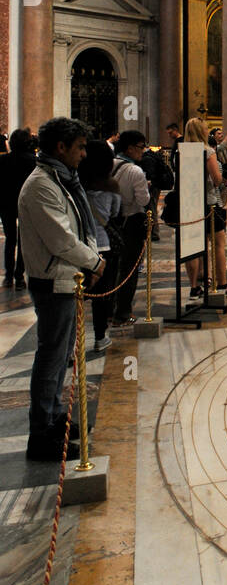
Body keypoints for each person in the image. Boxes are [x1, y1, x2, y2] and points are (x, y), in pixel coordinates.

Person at [18, 118, 106, 461]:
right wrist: (94, 262)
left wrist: (91, 258)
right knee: (51, 357)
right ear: (60, 147)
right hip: (53, 280)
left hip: (67, 278)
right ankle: (41, 433)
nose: (84, 154)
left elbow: (78, 225)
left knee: (60, 358)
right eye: (80, 147)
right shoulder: (41, 185)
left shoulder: (61, 180)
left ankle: (55, 421)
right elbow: (60, 238)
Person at [182, 118, 227, 298]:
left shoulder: (181, 151)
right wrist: (224, 179)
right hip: (209, 203)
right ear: (202, 132)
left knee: (193, 247)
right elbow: (216, 179)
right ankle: (221, 283)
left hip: (189, 203)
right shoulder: (207, 151)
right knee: (218, 244)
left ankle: (194, 286)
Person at [79, 140, 122, 352]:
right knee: (103, 296)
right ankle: (100, 336)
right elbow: (115, 213)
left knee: (76, 295)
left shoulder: (75, 183)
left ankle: (71, 345)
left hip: (80, 246)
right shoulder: (111, 185)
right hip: (104, 244)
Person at [111, 130, 150, 328]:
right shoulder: (135, 171)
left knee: (113, 267)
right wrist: (146, 186)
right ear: (129, 148)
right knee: (130, 268)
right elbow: (143, 200)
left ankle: (110, 309)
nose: (143, 151)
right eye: (141, 147)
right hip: (131, 221)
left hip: (112, 222)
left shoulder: (110, 164)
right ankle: (123, 312)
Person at [0, 127, 36, 287]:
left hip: (6, 203)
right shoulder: (33, 161)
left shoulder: (3, 160)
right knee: (23, 241)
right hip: (26, 204)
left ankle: (8, 276)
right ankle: (19, 276)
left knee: (10, 240)